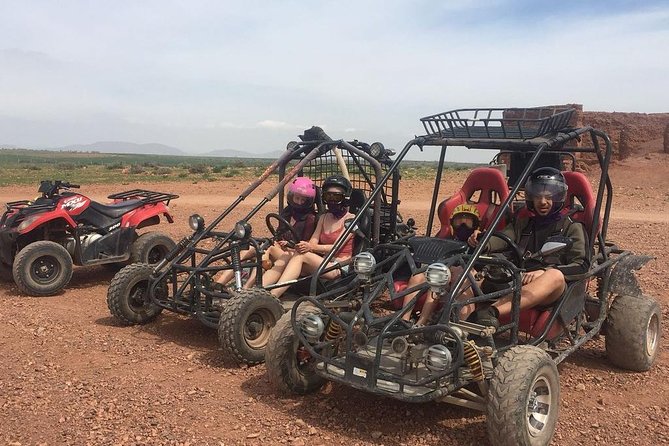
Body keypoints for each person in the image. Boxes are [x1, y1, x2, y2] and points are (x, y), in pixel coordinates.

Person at [468, 167, 590, 329]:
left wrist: (544, 271)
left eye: (549, 197)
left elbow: (581, 266)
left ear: (559, 197)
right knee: (469, 268)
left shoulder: (572, 228)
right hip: (516, 279)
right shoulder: (524, 224)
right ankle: (460, 319)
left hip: (548, 290)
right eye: (537, 196)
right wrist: (482, 241)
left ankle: (490, 313)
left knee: (555, 275)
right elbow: (502, 239)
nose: (543, 202)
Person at [215, 176, 318, 288]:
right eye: (297, 198)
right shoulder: (287, 212)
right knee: (247, 251)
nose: (299, 202)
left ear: (308, 202)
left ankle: (246, 289)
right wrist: (279, 241)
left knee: (263, 250)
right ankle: (219, 284)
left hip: (293, 254)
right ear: (291, 196)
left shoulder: (310, 218)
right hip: (280, 249)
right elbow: (279, 233)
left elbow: (307, 244)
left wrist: (289, 245)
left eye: (303, 200)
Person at [264, 174, 355, 298]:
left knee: (301, 256)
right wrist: (305, 246)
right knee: (287, 255)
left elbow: (336, 248)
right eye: (329, 196)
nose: (332, 200)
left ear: (345, 199)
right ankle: (260, 291)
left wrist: (310, 248)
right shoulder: (323, 217)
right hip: (323, 262)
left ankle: (273, 296)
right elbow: (313, 242)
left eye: (336, 196)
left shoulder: (351, 220)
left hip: (339, 266)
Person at [400, 204, 481, 325]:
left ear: (475, 225)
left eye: (468, 222)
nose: (463, 226)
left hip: (468, 276)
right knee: (418, 276)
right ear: (452, 223)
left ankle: (421, 323)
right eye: (459, 221)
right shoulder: (447, 239)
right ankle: (403, 321)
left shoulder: (480, 239)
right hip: (443, 274)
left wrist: (479, 237)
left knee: (448, 276)